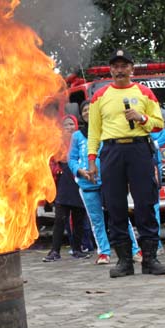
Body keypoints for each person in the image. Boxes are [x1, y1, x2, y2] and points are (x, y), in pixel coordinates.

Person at [87, 48, 165, 277]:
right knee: (114, 206)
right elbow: (93, 132)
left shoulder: (144, 92)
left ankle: (150, 258)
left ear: (132, 69)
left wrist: (141, 117)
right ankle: (124, 260)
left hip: (139, 149)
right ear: (110, 69)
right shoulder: (99, 95)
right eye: (115, 66)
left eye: (124, 66)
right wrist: (92, 160)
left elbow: (158, 124)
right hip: (112, 151)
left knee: (145, 202)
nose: (119, 70)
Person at [68, 100, 142, 265]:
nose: (87, 112)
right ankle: (104, 252)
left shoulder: (107, 131)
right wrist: (79, 171)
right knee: (96, 220)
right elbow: (71, 159)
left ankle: (135, 250)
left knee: (120, 216)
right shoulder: (77, 136)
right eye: (84, 110)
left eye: (90, 109)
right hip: (87, 186)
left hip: (110, 182)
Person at [43, 114, 89, 261]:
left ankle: (77, 249)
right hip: (64, 181)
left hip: (79, 179)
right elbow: (50, 162)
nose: (69, 128)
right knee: (60, 218)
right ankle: (54, 251)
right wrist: (57, 170)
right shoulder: (57, 143)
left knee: (79, 218)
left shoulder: (81, 140)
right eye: (66, 125)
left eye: (71, 124)